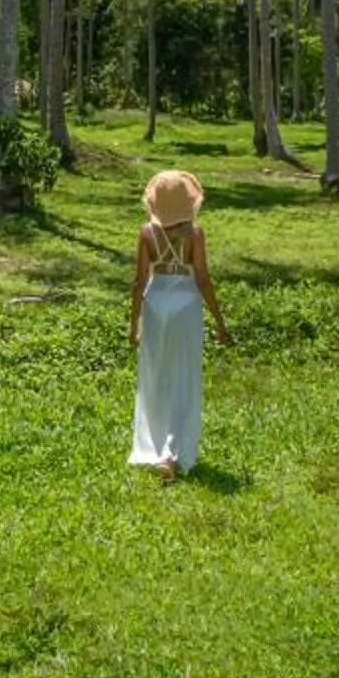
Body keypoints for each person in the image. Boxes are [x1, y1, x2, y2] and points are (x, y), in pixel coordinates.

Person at [127, 168, 228, 481]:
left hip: (156, 304)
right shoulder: (195, 235)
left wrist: (134, 324)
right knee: (183, 376)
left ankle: (155, 448)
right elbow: (202, 277)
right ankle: (174, 452)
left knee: (156, 376)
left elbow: (139, 281)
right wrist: (219, 321)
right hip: (185, 303)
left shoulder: (146, 233)